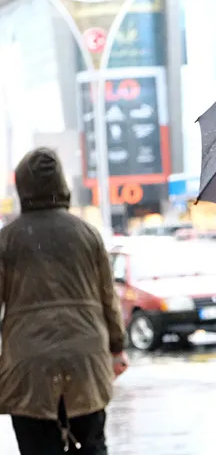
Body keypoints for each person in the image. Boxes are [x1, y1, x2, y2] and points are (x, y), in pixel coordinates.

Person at [0, 148, 128, 454]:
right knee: (92, 443)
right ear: (62, 184)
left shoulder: (7, 240)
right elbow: (107, 298)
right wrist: (117, 346)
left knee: (37, 446)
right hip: (86, 360)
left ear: (22, 187)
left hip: (28, 363)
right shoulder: (87, 235)